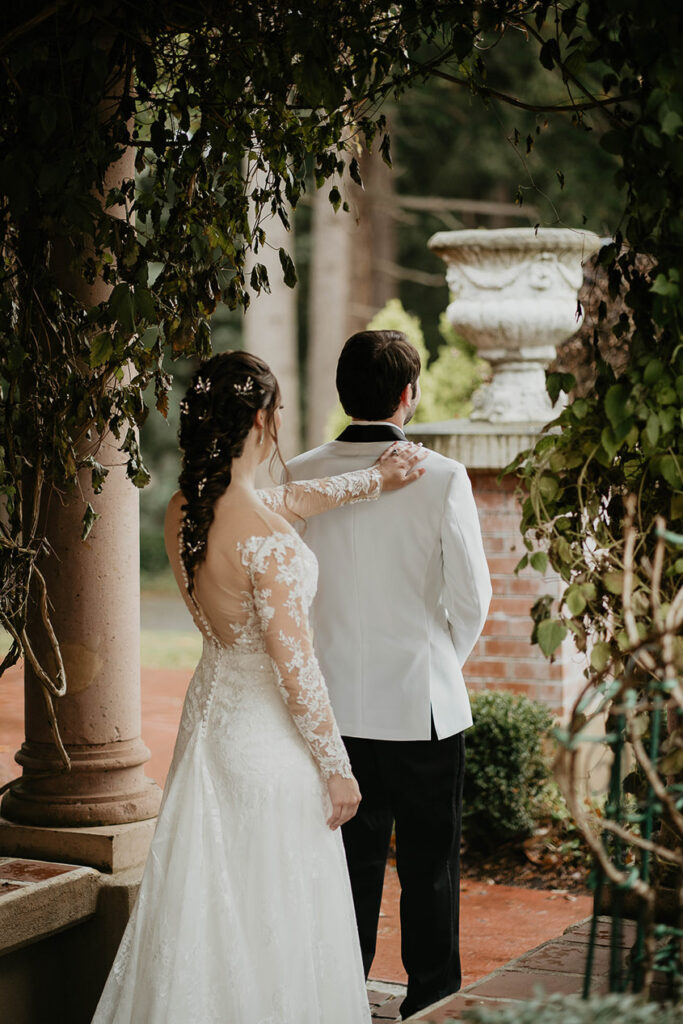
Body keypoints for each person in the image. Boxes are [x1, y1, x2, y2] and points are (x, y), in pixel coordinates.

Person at [91, 350, 426, 1024]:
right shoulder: (267, 542)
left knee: (209, 910)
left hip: (210, 726)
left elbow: (288, 498)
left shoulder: (185, 510)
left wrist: (368, 479)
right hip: (268, 747)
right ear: (265, 420)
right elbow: (296, 670)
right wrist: (338, 771)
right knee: (275, 914)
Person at [286, 329, 492, 1020]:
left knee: (346, 870)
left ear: (345, 392)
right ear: (409, 395)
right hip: (422, 707)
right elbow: (472, 598)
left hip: (335, 708)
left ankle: (340, 1000)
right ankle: (430, 1002)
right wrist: (437, 662)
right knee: (430, 868)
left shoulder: (300, 471)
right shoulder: (441, 475)